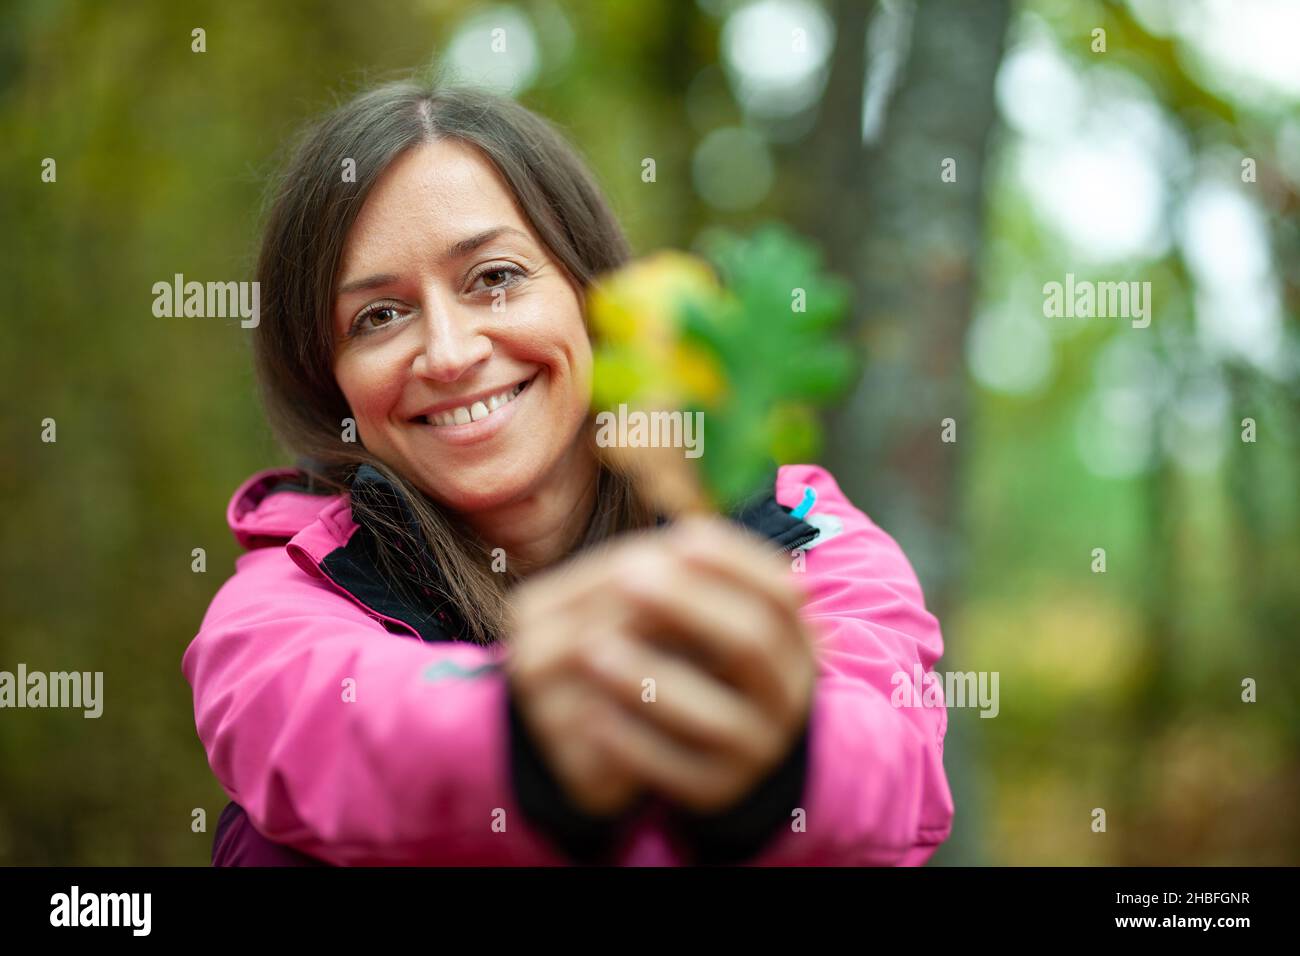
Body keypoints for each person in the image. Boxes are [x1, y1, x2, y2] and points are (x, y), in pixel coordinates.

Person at [181, 81, 954, 866]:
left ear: (592, 295)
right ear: (330, 378)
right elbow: (312, 722)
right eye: (378, 316)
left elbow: (894, 762)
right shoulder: (284, 597)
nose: (450, 354)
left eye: (494, 277)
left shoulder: (798, 527)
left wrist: (774, 767)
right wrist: (524, 743)